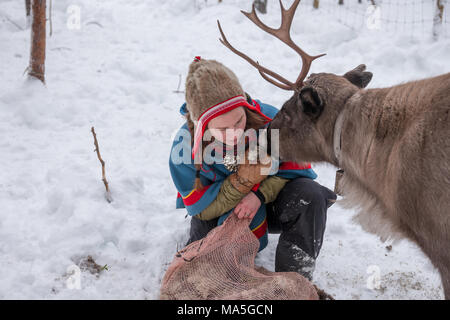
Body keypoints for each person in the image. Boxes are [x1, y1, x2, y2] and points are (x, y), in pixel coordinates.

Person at [168, 57, 337, 280]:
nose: (235, 133)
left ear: (245, 107)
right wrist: (240, 185)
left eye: (239, 121)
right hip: (217, 213)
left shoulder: (271, 119)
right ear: (202, 124)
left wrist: (258, 195)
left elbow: (296, 169)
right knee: (202, 272)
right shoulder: (184, 147)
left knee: (310, 195)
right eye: (223, 129)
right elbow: (200, 209)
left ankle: (294, 282)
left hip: (269, 206)